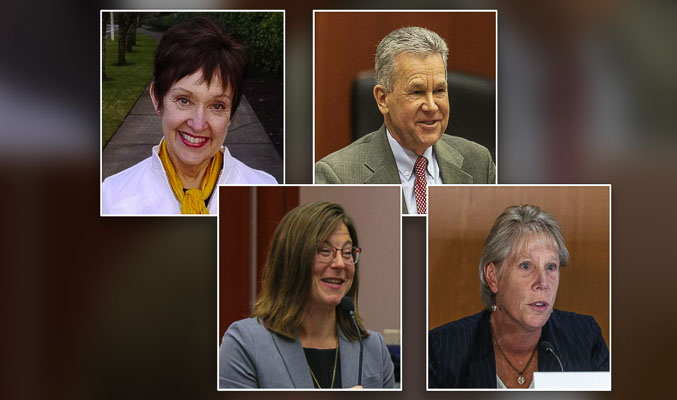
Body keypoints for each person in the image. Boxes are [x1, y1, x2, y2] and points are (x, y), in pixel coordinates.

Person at [102, 17, 276, 215]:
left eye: (217, 105)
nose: (198, 124)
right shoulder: (111, 199)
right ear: (157, 99)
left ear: (230, 114)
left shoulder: (265, 193)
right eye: (184, 100)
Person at [315, 26, 495, 214]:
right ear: (382, 99)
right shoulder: (336, 177)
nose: (432, 106)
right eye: (417, 92)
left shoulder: (479, 162)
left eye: (439, 91)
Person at [429, 204, 609, 388]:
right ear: (493, 277)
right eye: (526, 265)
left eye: (550, 267)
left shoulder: (585, 338)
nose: (543, 283)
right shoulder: (441, 350)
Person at [219, 202, 395, 389]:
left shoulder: (372, 347)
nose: (340, 264)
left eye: (347, 252)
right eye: (325, 251)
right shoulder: (245, 343)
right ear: (292, 259)